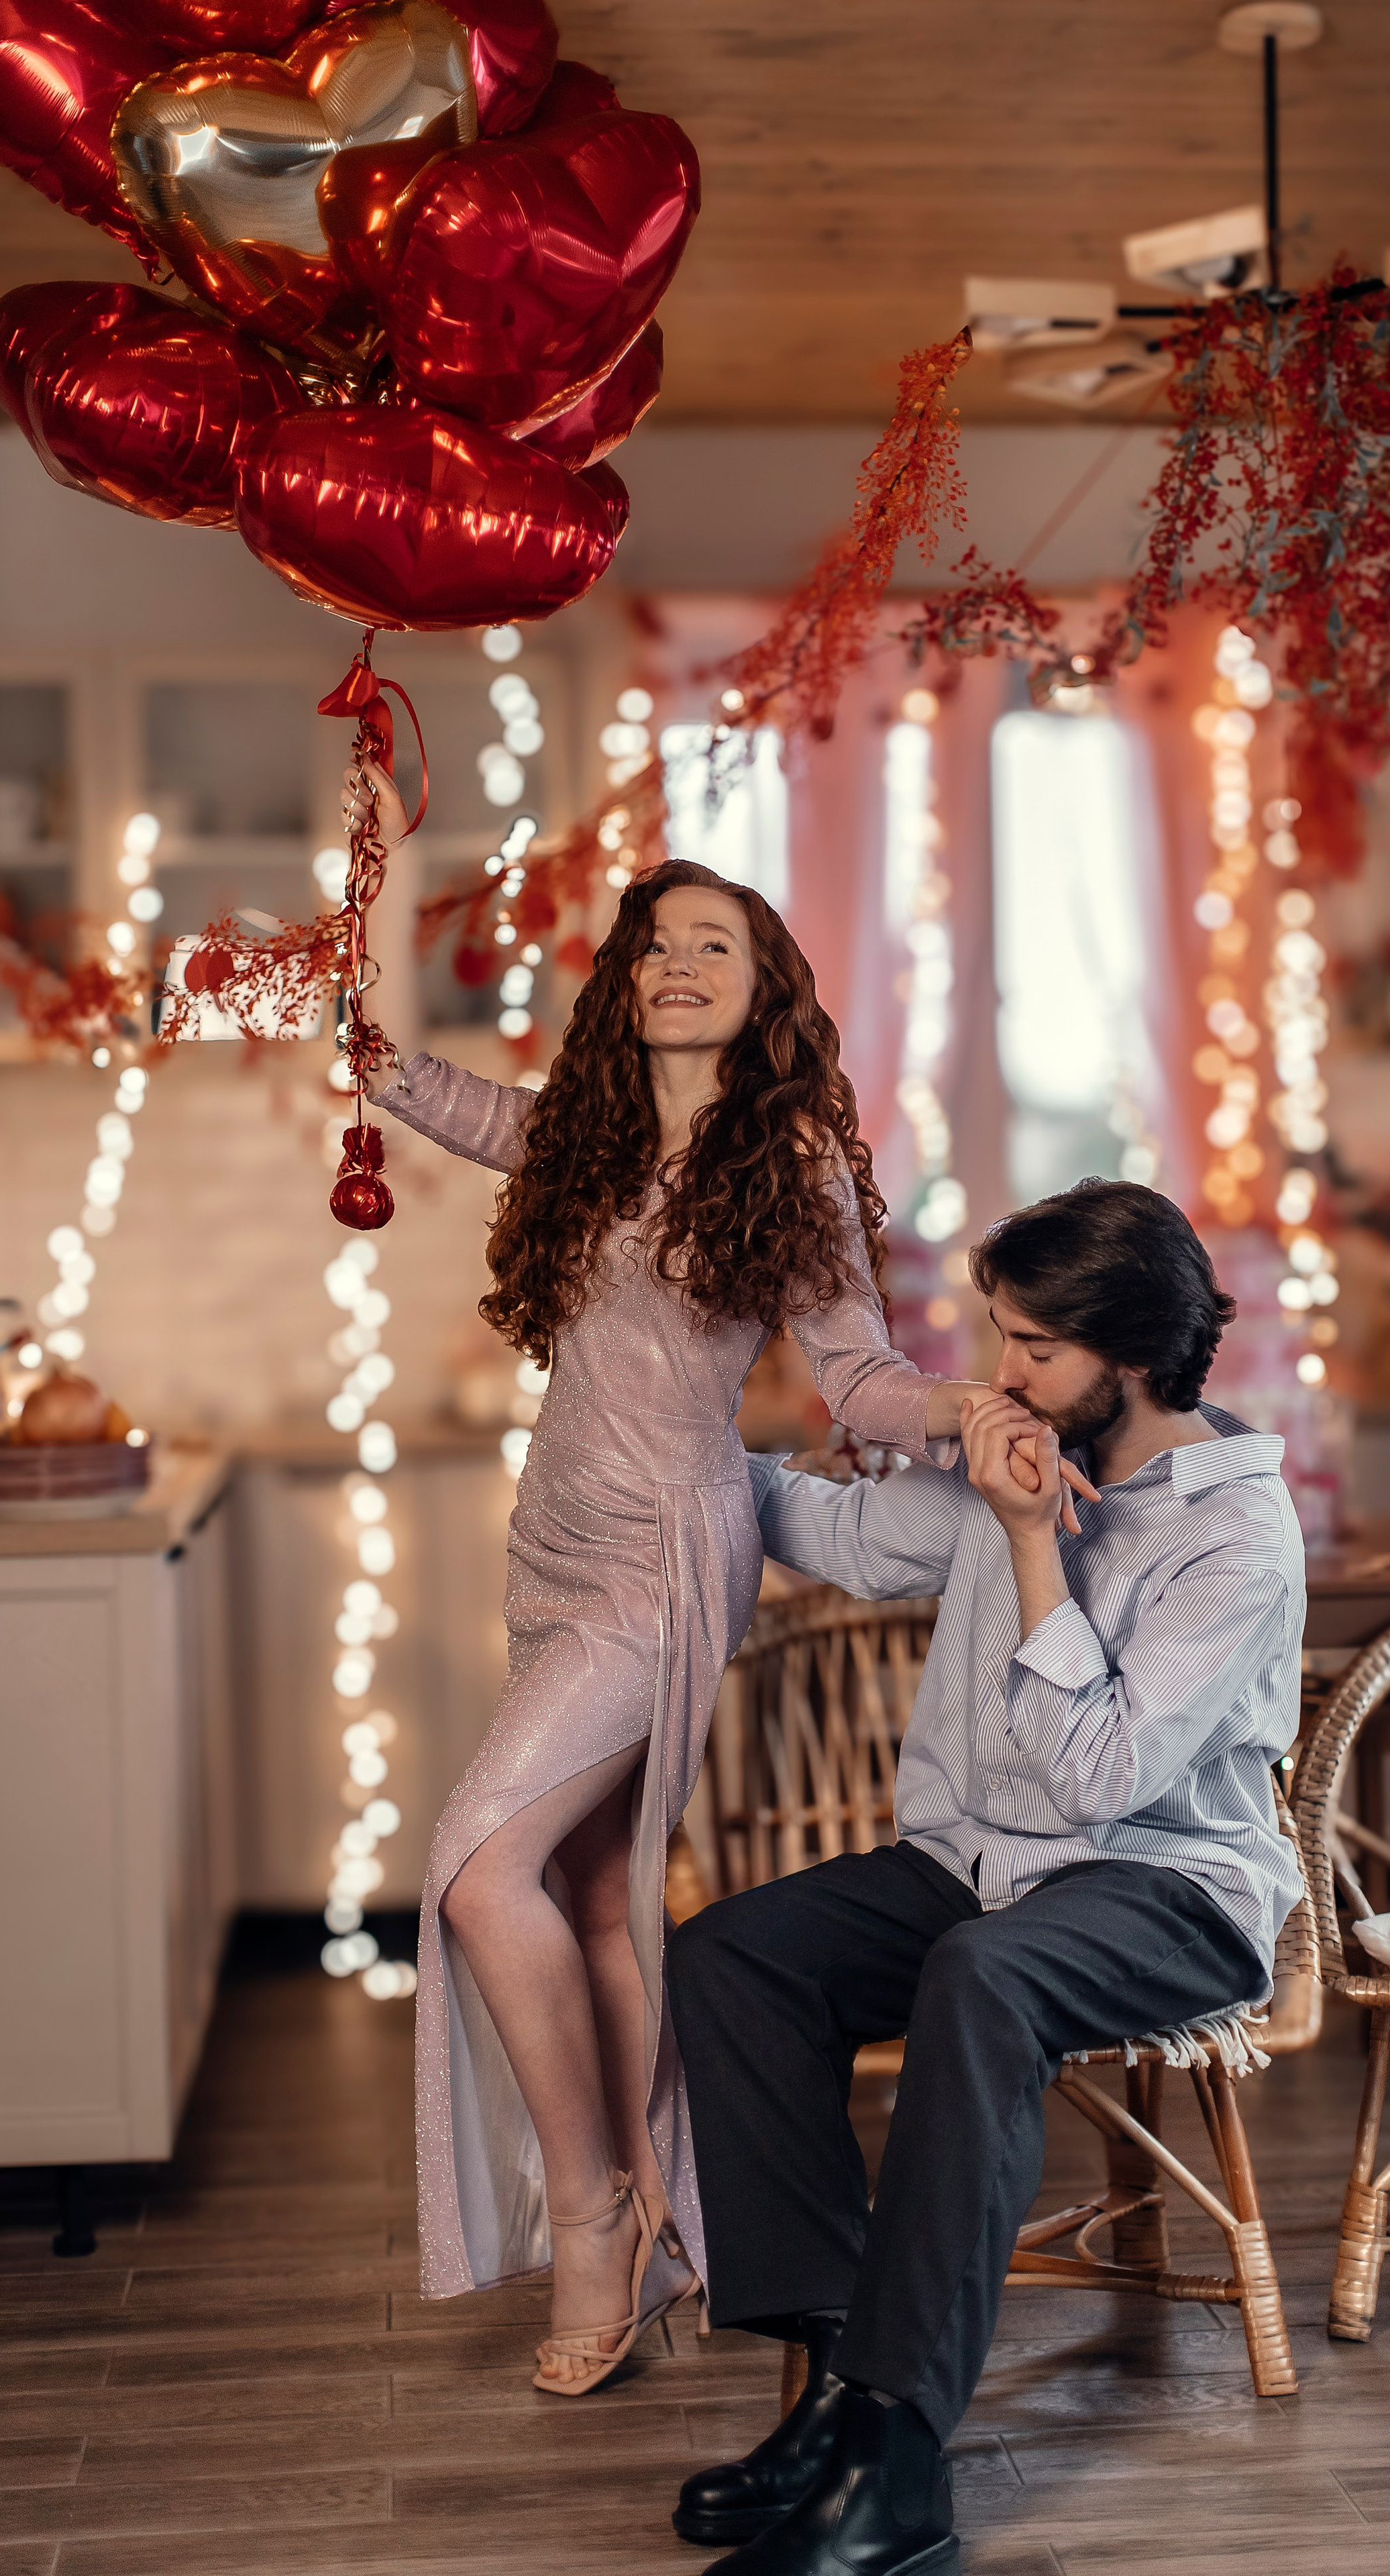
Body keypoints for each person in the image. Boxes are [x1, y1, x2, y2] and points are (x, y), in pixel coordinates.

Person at [365, 837, 981, 2400]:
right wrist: (350, 952)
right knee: (580, 1895)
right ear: (624, 986)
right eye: (653, 945)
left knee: (471, 1869)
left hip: (663, 1551)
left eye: (713, 944)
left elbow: (856, 1379)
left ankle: (592, 2214)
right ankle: (667, 2204)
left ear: (765, 983)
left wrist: (967, 1409)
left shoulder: (791, 1166)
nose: (677, 964)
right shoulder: (571, 1137)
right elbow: (423, 1091)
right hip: (553, 1542)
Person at [665, 1179, 1304, 2574]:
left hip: (1164, 1888)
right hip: (978, 1870)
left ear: (1127, 1356)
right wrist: (669, 1437)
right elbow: (832, 1537)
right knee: (730, 1959)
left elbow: (1095, 1782)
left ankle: (896, 2471)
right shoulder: (997, 1455)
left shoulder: (1233, 1538)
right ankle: (843, 2386)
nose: (990, 1378)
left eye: (1029, 1349)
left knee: (981, 1977)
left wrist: (1031, 1548)